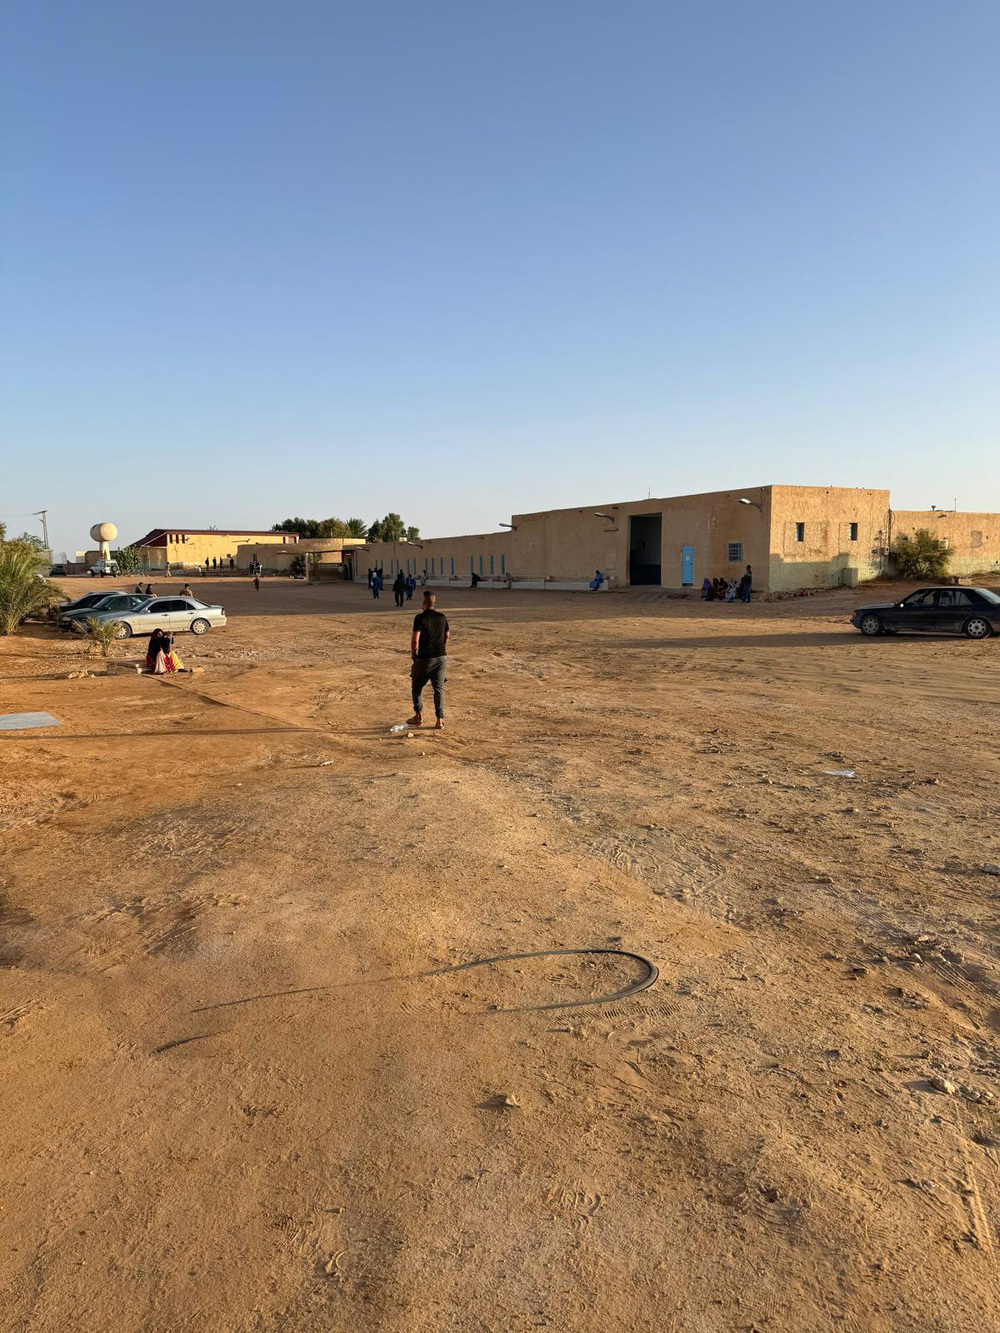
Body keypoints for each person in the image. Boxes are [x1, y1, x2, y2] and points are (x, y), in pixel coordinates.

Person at [408, 590, 449, 730]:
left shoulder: (420, 618)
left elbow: (415, 640)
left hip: (425, 658)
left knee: (416, 687)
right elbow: (447, 636)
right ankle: (440, 720)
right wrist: (441, 648)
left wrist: (414, 655)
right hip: (441, 657)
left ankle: (418, 716)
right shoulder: (442, 617)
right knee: (438, 689)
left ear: (424, 603)